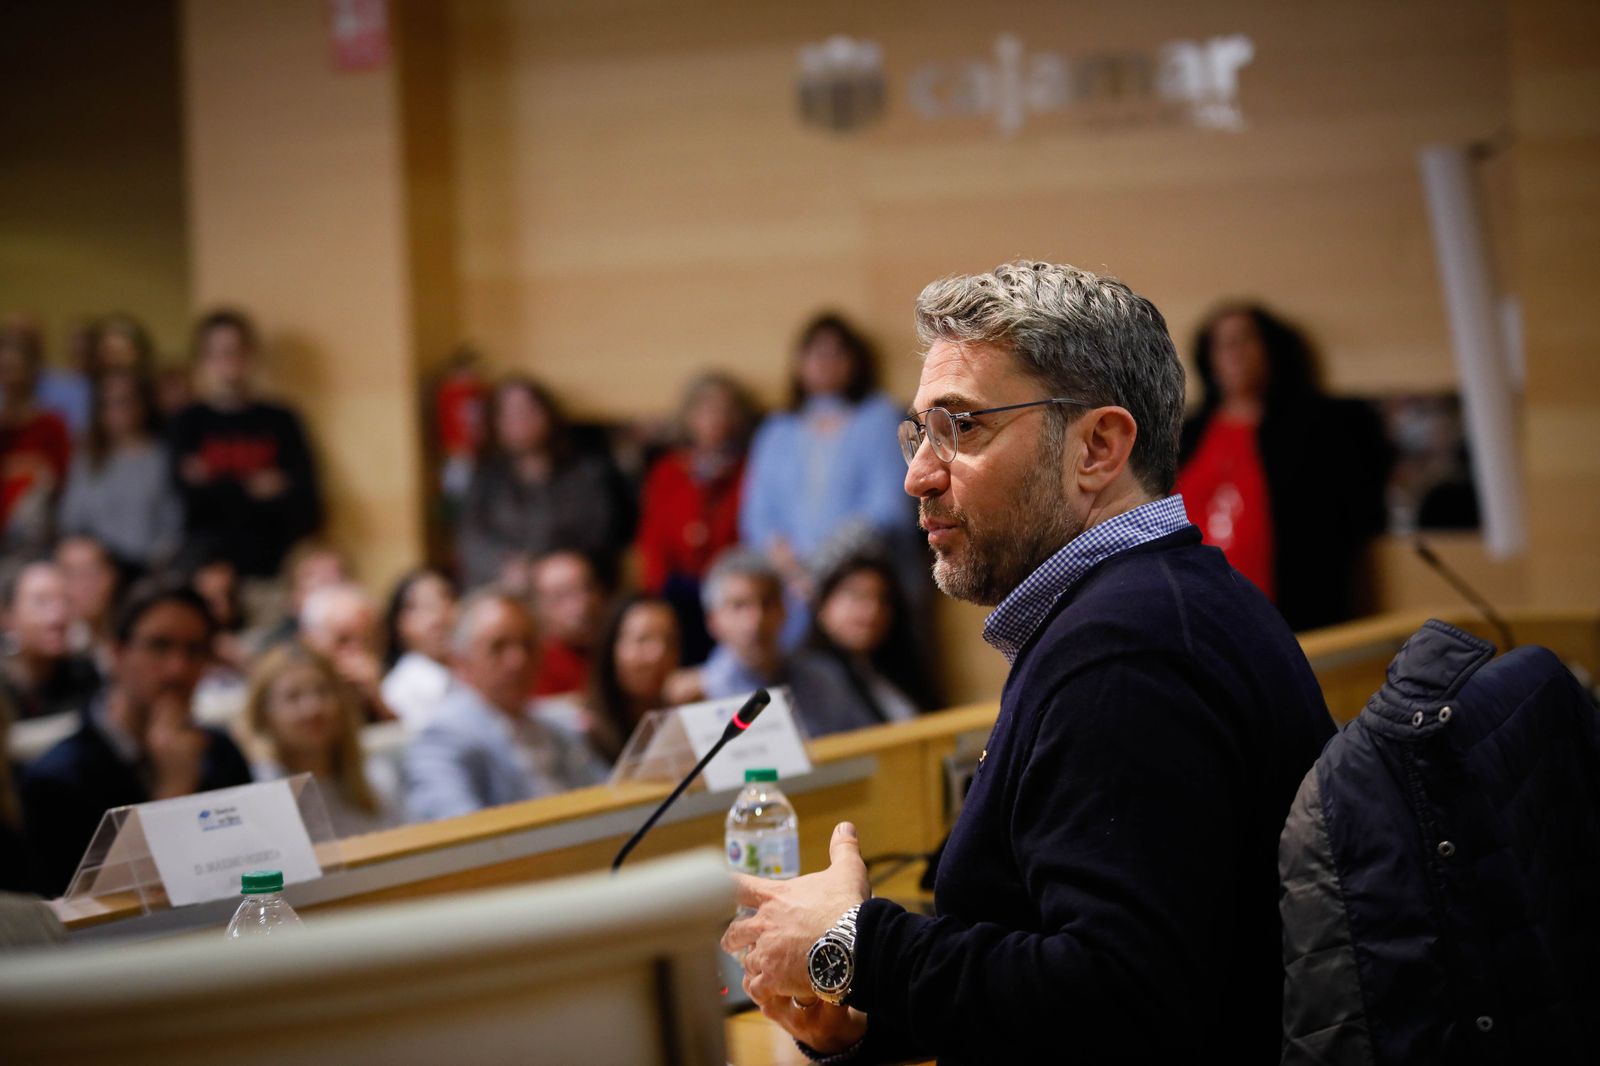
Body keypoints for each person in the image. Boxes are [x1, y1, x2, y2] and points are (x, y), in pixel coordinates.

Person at [722, 261, 1336, 1063]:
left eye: (962, 428)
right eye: (919, 432)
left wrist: (857, 946)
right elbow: (1052, 952)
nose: (917, 475)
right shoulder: (1153, 604)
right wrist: (871, 1007)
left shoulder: (1126, 653)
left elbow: (1122, 999)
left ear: (1099, 447)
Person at [21, 583, 252, 896]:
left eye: (194, 650)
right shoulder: (56, 778)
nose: (177, 669)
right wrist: (174, 789)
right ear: (116, 653)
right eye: (159, 646)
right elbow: (86, 911)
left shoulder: (221, 753)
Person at [1177, 303, 1393, 631]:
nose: (1233, 352)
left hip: (1290, 610)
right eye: (1222, 343)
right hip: (1197, 610)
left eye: (1244, 339)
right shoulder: (1187, 433)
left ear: (1270, 348)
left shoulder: (1315, 426)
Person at [739, 315, 917, 646]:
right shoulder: (778, 429)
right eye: (815, 353)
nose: (825, 363)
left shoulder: (879, 417)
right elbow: (756, 514)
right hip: (788, 586)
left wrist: (818, 570)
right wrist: (787, 566)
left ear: (856, 361)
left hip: (861, 582)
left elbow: (887, 511)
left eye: (836, 353)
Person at [404, 591, 606, 822]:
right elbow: (456, 829)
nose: (517, 660)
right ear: (462, 661)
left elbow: (609, 796)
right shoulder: (443, 738)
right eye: (498, 647)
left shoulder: (559, 726)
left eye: (528, 645)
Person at [167, 309, 324, 578]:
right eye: (217, 353)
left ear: (250, 355)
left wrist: (214, 480)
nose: (227, 361)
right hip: (206, 572)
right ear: (203, 360)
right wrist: (261, 488)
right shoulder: (187, 422)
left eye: (234, 350)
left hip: (273, 568)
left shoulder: (282, 419)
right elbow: (186, 500)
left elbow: (308, 504)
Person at [456, 377, 629, 589]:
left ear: (548, 414)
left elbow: (599, 535)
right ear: (496, 422)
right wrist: (505, 567)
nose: (520, 420)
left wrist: (545, 567)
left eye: (528, 409)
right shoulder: (485, 478)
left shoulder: (585, 474)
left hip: (570, 581)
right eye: (509, 413)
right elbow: (472, 540)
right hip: (503, 583)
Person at [636, 372, 756, 663]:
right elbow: (652, 539)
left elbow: (748, 535)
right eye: (705, 409)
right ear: (688, 416)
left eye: (725, 410)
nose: (715, 418)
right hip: (675, 592)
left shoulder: (748, 470)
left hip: (727, 589)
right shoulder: (668, 471)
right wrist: (657, 597)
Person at [242, 642, 402, 838]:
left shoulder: (377, 778)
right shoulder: (256, 790)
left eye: (322, 691)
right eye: (293, 697)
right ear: (264, 715)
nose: (313, 708)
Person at [786, 544, 934, 736]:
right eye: (857, 596)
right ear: (822, 603)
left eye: (882, 600)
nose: (872, 611)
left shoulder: (891, 669)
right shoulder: (812, 677)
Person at [57, 367, 184, 575]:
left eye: (124, 401)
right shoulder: (87, 458)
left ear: (143, 404)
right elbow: (71, 519)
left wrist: (155, 562)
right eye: (107, 404)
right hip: (93, 574)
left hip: (147, 571)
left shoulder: (162, 457)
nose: (116, 411)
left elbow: (173, 523)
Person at [667, 548, 788, 704]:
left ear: (784, 610)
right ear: (713, 621)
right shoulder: (693, 695)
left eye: (766, 603)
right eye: (739, 605)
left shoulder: (819, 680)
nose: (757, 618)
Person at [0, 320, 72, 553]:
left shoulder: (52, 425)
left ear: (33, 373)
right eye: (3, 369)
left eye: (15, 369)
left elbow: (60, 480)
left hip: (34, 536)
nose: (9, 379)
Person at [584, 594, 682, 763]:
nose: (658, 655)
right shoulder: (584, 729)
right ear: (611, 649)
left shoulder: (683, 717)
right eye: (642, 640)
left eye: (669, 641)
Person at [0, 561, 100, 722]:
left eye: (65, 602)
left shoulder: (86, 676)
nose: (58, 617)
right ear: (7, 616)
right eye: (42, 602)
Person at [299, 583, 394, 723]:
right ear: (310, 641)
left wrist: (379, 700)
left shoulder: (396, 681)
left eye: (368, 641)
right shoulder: (292, 694)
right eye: (343, 640)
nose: (358, 654)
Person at [380, 568, 457, 730]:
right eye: (426, 607)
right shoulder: (399, 689)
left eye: (446, 600)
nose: (440, 618)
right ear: (400, 624)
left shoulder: (473, 673)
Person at [529, 550, 605, 697]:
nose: (582, 604)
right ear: (539, 607)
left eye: (586, 589)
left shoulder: (617, 650)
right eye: (562, 596)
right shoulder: (531, 665)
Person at [55, 535, 122, 676]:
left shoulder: (130, 636)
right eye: (72, 574)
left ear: (112, 577)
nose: (85, 585)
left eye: (93, 572)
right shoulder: (53, 647)